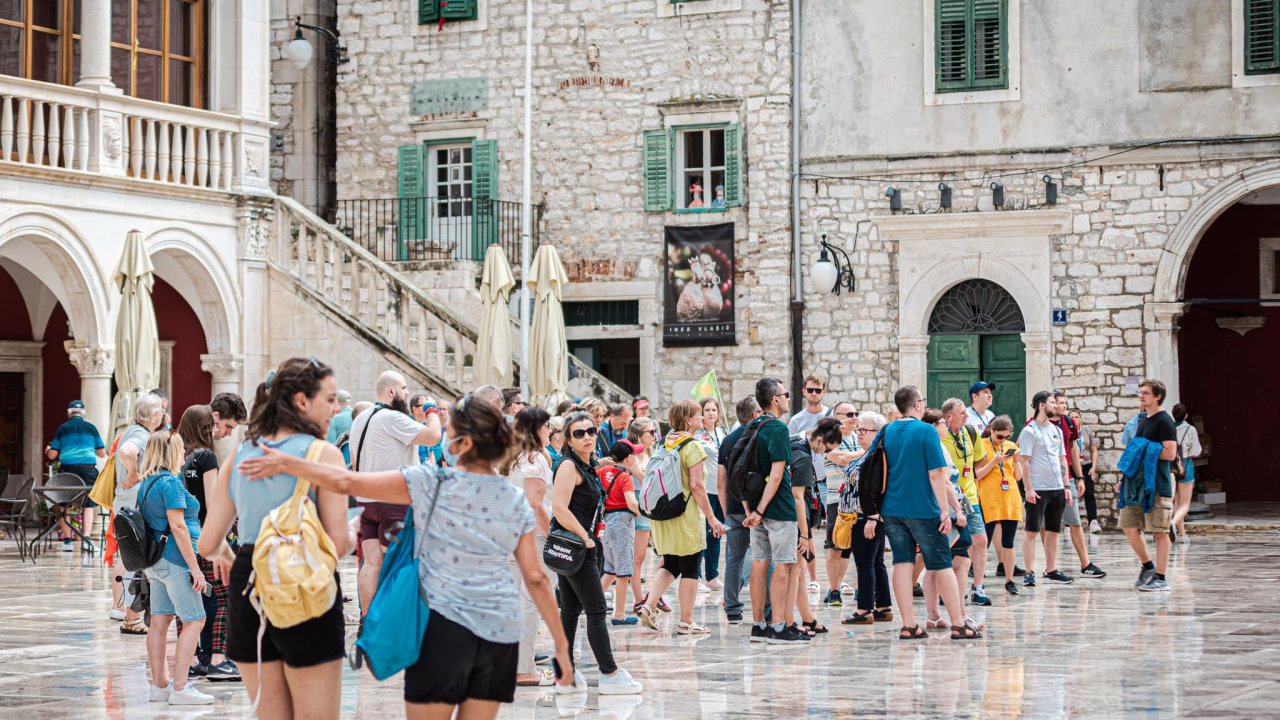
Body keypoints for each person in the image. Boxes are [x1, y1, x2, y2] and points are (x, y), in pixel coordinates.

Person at [237, 395, 576, 715]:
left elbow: (347, 481)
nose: (444, 437)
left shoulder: (431, 482)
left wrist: (289, 462)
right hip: (500, 633)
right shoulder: (513, 499)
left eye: (450, 432)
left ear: (465, 444)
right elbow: (535, 578)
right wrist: (561, 645)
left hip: (443, 627)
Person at [199, 358, 355, 720]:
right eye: (330, 399)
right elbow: (335, 543)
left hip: (250, 582)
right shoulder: (324, 454)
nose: (336, 408)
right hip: (305, 584)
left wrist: (228, 555)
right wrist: (353, 531)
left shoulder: (241, 452)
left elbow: (207, 544)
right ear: (301, 400)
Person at [551, 411, 643, 693]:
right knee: (596, 609)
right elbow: (558, 508)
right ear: (568, 438)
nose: (587, 437)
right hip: (578, 546)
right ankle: (609, 673)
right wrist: (584, 537)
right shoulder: (569, 466)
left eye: (591, 431)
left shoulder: (587, 464)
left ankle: (565, 674)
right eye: (579, 433)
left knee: (570, 610)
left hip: (578, 546)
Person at [880, 386, 978, 641]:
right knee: (941, 562)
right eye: (922, 400)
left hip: (892, 508)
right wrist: (945, 512)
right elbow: (937, 474)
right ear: (916, 405)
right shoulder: (926, 431)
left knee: (902, 562)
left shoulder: (887, 430)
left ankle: (909, 625)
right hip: (922, 508)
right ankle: (958, 624)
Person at [348, 371, 442, 619]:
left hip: (365, 500)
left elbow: (355, 463)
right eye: (404, 388)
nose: (407, 392)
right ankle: (394, 623)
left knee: (370, 563)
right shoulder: (392, 418)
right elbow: (433, 437)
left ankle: (368, 621)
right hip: (392, 502)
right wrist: (432, 410)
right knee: (397, 564)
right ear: (392, 392)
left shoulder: (360, 418)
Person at [136, 430, 214, 705]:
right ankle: (180, 687)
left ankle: (160, 686)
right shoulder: (170, 484)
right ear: (171, 452)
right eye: (181, 450)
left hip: (155, 563)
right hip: (176, 560)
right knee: (195, 620)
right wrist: (195, 569)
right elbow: (179, 527)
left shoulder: (147, 482)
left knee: (160, 621)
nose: (184, 454)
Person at [638, 400, 724, 635]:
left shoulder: (665, 443)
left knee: (671, 563)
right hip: (686, 516)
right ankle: (686, 621)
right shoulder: (693, 446)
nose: (702, 418)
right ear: (688, 419)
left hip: (665, 513)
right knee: (690, 567)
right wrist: (712, 517)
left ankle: (648, 606)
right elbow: (697, 486)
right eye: (698, 414)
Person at [176, 405, 239, 681]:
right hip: (204, 536)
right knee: (226, 596)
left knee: (187, 601)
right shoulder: (206, 457)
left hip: (181, 538)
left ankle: (190, 661)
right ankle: (218, 658)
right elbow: (212, 501)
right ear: (206, 428)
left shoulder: (178, 457)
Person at [743, 378, 807, 645]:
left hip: (754, 504)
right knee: (782, 563)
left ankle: (759, 625)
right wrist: (760, 510)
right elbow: (778, 475)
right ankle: (779, 627)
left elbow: (743, 469)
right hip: (778, 507)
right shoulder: (779, 429)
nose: (788, 399)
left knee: (760, 561)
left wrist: (751, 508)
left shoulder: (751, 426)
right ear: (775, 399)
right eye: (785, 395)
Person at [502, 406, 556, 685]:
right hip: (532, 535)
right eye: (547, 426)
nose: (551, 431)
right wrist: (554, 535)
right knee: (532, 601)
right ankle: (524, 667)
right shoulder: (534, 460)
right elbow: (536, 505)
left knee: (515, 599)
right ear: (536, 429)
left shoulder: (511, 458)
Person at [112, 392, 166, 634]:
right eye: (161, 411)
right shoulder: (141, 435)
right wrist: (134, 473)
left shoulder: (134, 431)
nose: (163, 415)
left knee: (132, 558)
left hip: (126, 503)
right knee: (136, 559)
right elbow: (126, 452)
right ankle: (130, 616)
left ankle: (130, 616)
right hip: (133, 505)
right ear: (155, 414)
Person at [1119, 379, 1178, 592]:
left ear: (1157, 396)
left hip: (1157, 484)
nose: (1141, 396)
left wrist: (1144, 449)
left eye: (1145, 393)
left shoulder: (1165, 421)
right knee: (1128, 525)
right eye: (1141, 392)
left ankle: (1161, 577)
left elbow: (1170, 453)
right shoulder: (1143, 420)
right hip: (1136, 483)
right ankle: (1148, 566)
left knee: (1159, 531)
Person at [787, 418, 843, 636]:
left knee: (800, 572)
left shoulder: (794, 441)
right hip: (794, 521)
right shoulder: (802, 457)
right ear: (820, 440)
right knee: (794, 571)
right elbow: (798, 498)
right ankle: (789, 622)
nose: (823, 454)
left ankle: (807, 618)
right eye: (826, 449)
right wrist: (804, 534)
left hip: (794, 520)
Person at [922, 409, 975, 632]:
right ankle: (959, 613)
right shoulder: (937, 448)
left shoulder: (929, 446)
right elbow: (944, 482)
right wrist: (957, 511)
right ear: (934, 426)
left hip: (930, 506)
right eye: (943, 423)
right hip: (944, 507)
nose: (946, 426)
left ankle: (934, 614)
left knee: (934, 565)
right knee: (959, 562)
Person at [1017, 391, 1074, 587]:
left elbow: (1062, 460)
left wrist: (1066, 486)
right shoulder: (1029, 431)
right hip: (1038, 489)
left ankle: (1051, 570)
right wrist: (1029, 489)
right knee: (1032, 531)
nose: (1056, 406)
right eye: (1052, 402)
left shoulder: (1056, 430)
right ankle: (1029, 571)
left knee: (1053, 531)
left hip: (1057, 488)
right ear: (1042, 405)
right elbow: (1024, 461)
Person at [841, 411, 892, 625]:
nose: (858, 433)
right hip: (863, 516)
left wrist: (872, 517)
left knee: (864, 563)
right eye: (858, 429)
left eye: (863, 430)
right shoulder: (866, 453)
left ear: (877, 432)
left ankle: (864, 609)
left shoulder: (875, 456)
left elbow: (874, 488)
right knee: (875, 562)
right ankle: (882, 606)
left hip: (866, 516)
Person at [939, 398, 991, 606]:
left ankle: (978, 587)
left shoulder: (970, 432)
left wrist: (971, 476)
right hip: (947, 497)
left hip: (969, 497)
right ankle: (946, 587)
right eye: (962, 413)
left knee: (980, 540)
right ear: (949, 417)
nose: (966, 415)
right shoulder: (941, 438)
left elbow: (981, 458)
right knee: (949, 544)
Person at [1051, 392, 1106, 579]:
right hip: (1045, 480)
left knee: (1074, 520)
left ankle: (1086, 564)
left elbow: (1073, 451)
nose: (1065, 406)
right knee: (1044, 525)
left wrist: (1080, 477)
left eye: (1065, 403)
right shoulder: (1034, 426)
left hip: (1067, 478)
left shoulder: (1068, 423)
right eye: (1060, 403)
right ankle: (1047, 568)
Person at [786, 373, 832, 592]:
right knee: (808, 529)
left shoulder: (831, 416)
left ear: (824, 391)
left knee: (835, 529)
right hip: (805, 480)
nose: (814, 394)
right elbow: (790, 449)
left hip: (827, 479)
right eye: (810, 390)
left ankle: (831, 580)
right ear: (804, 392)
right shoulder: (796, 421)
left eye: (818, 390)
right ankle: (810, 577)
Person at [718, 397, 761, 624]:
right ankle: (765, 606)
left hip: (734, 507)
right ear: (755, 415)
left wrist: (726, 512)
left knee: (734, 558)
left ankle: (733, 607)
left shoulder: (726, 441)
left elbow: (721, 483)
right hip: (759, 507)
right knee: (762, 556)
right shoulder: (759, 436)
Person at [46, 399, 105, 551]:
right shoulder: (91, 428)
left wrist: (47, 450)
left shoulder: (62, 428)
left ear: (68, 414)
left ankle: (67, 543)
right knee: (89, 505)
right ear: (83, 414)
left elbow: (52, 455)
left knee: (64, 505)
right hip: (88, 470)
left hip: (67, 470)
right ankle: (86, 540)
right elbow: (101, 452)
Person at [974, 416, 1023, 597]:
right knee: (983, 543)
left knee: (1008, 543)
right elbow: (977, 475)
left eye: (1006, 437)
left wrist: (1017, 460)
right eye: (999, 437)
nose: (1002, 440)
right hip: (988, 499)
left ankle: (1009, 580)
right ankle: (978, 583)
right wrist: (994, 461)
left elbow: (1018, 477)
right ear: (992, 431)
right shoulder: (981, 445)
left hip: (1009, 498)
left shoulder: (1011, 447)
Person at [821, 401, 862, 606]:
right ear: (837, 417)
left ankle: (855, 587)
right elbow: (842, 459)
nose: (854, 417)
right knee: (835, 545)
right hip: (837, 500)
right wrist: (865, 452)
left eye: (856, 413)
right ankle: (834, 588)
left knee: (852, 548)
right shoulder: (829, 440)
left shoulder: (859, 438)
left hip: (858, 499)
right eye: (849, 414)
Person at [598, 442, 641, 626]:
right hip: (622, 522)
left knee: (610, 568)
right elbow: (631, 501)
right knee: (623, 571)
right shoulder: (625, 477)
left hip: (605, 522)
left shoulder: (602, 472)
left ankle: (592, 603)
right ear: (629, 458)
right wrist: (639, 511)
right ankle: (619, 614)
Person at [625, 415, 662, 612]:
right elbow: (643, 478)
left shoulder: (650, 453)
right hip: (640, 505)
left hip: (651, 504)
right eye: (651, 432)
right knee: (638, 557)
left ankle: (654, 594)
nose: (654, 435)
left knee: (664, 553)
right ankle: (639, 598)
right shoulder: (632, 456)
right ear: (640, 435)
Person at [694, 397, 728, 590]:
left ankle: (712, 576)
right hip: (705, 489)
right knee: (703, 532)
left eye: (714, 409)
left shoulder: (722, 432)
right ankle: (697, 576)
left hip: (721, 489)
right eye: (707, 410)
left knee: (717, 532)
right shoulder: (698, 435)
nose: (711, 413)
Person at [1171, 403, 1202, 542]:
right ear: (1186, 416)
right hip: (1186, 464)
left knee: (1176, 501)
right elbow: (1197, 451)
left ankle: (1182, 535)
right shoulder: (1190, 429)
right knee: (1185, 504)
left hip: (1171, 465)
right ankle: (1172, 524)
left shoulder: (1169, 428)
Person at [1069, 409, 1101, 533]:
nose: (1074, 419)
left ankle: (1093, 521)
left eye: (1076, 417)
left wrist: (1093, 467)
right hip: (1071, 464)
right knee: (1070, 493)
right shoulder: (1066, 431)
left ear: (1080, 418)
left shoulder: (1086, 431)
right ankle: (1069, 523)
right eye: (1071, 417)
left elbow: (1093, 449)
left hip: (1086, 463)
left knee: (1089, 493)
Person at [410, 395, 444, 467]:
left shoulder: (427, 426)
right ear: (415, 409)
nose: (427, 408)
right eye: (425, 405)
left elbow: (431, 453)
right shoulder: (408, 425)